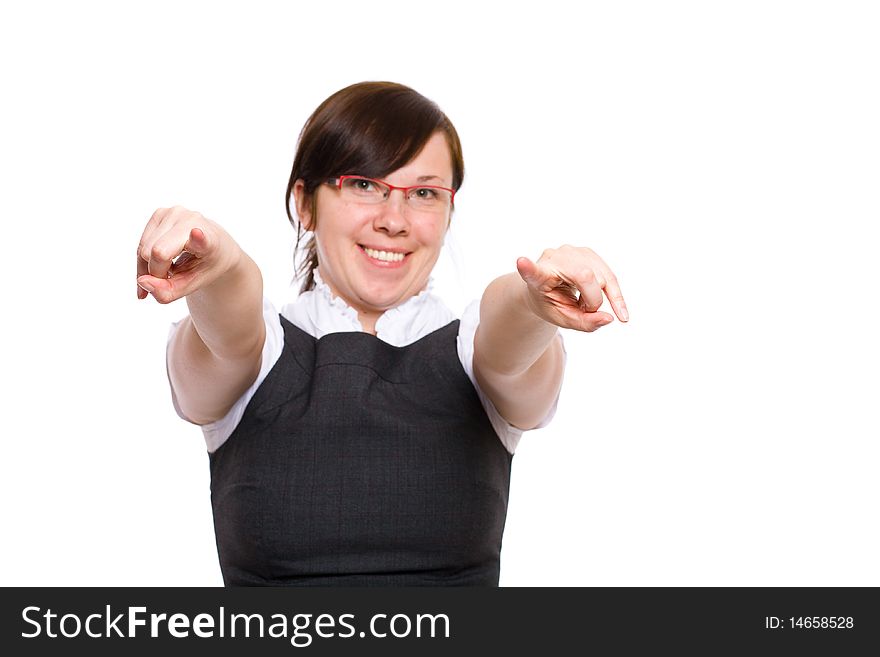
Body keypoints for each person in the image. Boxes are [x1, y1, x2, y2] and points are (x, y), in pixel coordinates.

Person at [135, 81, 628, 586]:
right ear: (304, 202)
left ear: (449, 211)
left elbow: (505, 341)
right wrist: (225, 265)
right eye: (364, 185)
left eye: (423, 193)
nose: (394, 220)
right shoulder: (260, 350)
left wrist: (533, 301)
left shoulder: (471, 350)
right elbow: (232, 332)